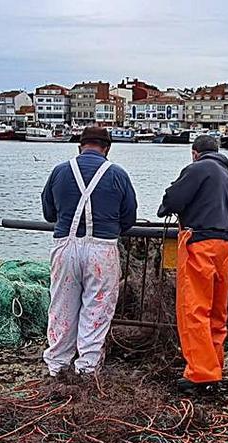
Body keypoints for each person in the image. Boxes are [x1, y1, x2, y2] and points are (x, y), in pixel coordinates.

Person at [41, 127, 137, 375]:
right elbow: (129, 217)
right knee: (97, 307)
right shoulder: (118, 174)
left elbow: (49, 213)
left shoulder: (60, 171)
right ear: (107, 148)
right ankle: (87, 366)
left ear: (79, 146)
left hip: (65, 245)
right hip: (102, 248)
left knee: (62, 305)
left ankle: (57, 364)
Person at [158, 135, 228, 390]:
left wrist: (165, 206)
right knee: (216, 311)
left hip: (199, 242)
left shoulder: (198, 168)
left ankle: (201, 374)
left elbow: (173, 199)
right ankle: (214, 366)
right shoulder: (226, 173)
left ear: (194, 153)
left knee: (194, 308)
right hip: (223, 244)